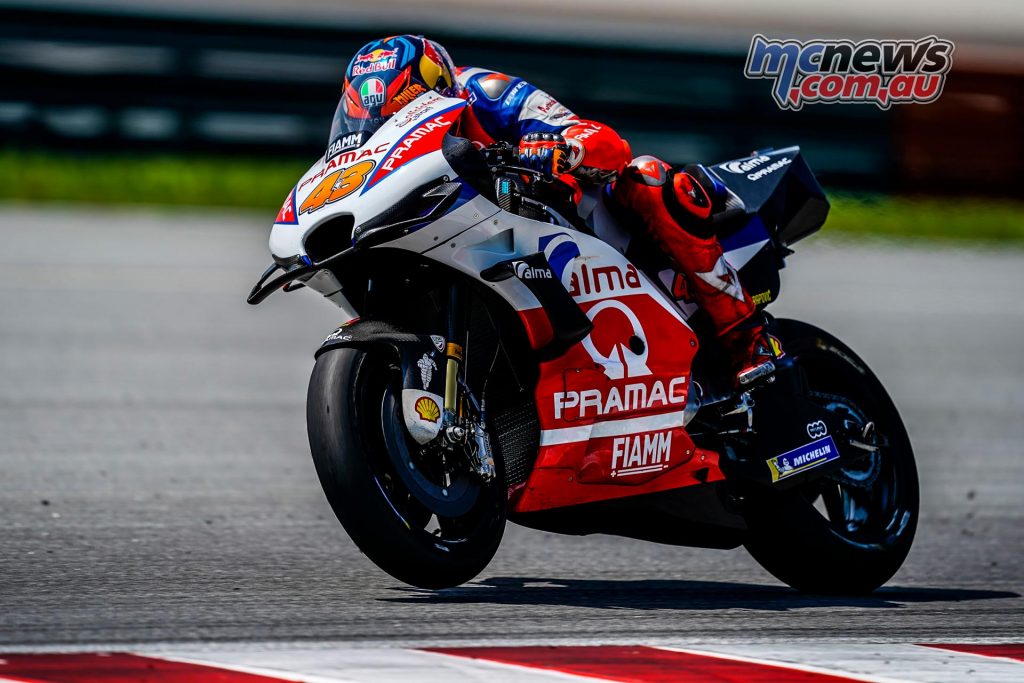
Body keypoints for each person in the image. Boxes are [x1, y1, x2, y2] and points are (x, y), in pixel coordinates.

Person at [333, 34, 781, 386]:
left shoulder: (487, 93)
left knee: (649, 178)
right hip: (477, 243)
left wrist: (563, 151)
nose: (399, 126)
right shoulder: (369, 149)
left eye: (408, 110)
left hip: (574, 223)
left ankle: (749, 342)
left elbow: (607, 144)